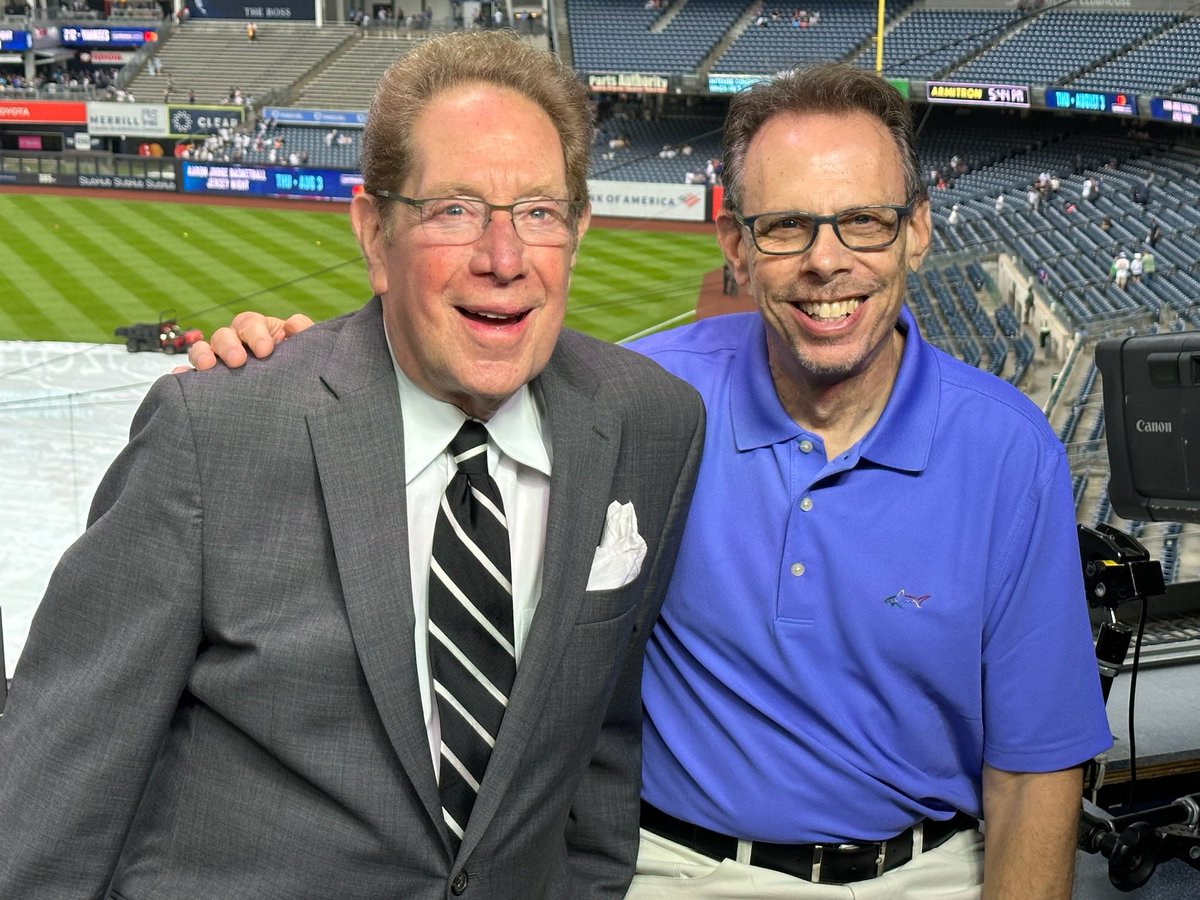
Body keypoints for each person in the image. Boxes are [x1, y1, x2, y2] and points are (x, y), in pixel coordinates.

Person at [193, 63, 1111, 897]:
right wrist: (275, 360)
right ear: (736, 247)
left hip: (927, 874)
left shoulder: (1009, 450)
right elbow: (439, 372)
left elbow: (1036, 771)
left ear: (915, 232)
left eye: (863, 220)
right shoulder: (640, 401)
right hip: (672, 871)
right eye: (786, 226)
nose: (827, 261)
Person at [0, 31, 705, 899]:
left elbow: (599, 746)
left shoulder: (651, 424)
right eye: (454, 209)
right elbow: (57, 788)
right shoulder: (215, 432)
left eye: (538, 212)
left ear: (577, 230)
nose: (504, 258)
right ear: (375, 235)